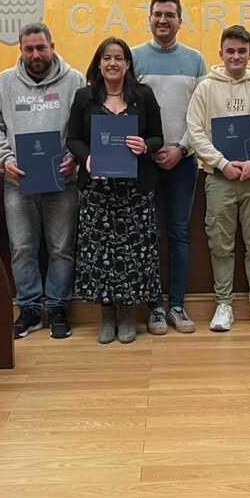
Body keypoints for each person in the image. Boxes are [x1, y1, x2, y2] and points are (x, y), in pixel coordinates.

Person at [0, 23, 84, 340]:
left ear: (52, 46)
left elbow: (84, 126)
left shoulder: (75, 80)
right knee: (22, 249)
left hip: (63, 182)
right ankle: (28, 308)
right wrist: (5, 159)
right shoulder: (3, 82)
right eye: (29, 49)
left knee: (62, 249)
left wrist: (74, 157)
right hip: (18, 183)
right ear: (21, 51)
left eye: (41, 47)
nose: (35, 54)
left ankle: (57, 307)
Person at [66, 38, 164, 344]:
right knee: (101, 256)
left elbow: (159, 137)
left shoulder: (143, 96)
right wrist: (88, 158)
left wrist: (145, 146)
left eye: (119, 58)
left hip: (135, 192)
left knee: (134, 254)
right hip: (98, 192)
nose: (112, 63)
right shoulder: (85, 97)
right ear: (99, 63)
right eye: (107, 58)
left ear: (128, 64)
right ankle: (107, 315)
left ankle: (128, 316)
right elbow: (73, 139)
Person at [186, 25, 250, 332]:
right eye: (230, 51)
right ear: (221, 54)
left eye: (242, 51)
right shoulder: (205, 88)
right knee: (220, 243)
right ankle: (224, 304)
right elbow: (196, 132)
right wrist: (222, 163)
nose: (236, 56)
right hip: (219, 177)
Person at [131, 0, 207, 336]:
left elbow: (202, 114)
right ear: (149, 19)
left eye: (170, 15)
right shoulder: (133, 58)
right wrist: (148, 149)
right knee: (149, 235)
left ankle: (176, 305)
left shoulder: (195, 60)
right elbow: (126, 110)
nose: (163, 20)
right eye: (158, 15)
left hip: (184, 161)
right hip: (143, 163)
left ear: (180, 20)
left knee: (178, 234)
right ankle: (155, 308)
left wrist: (181, 147)